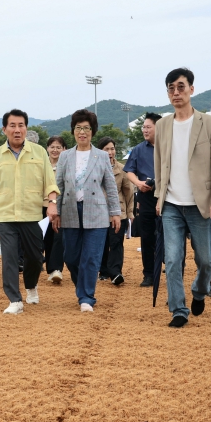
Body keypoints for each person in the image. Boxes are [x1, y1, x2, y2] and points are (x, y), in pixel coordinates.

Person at [154, 68, 211, 327]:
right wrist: (160, 196)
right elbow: (159, 163)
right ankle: (178, 310)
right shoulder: (162, 125)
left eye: (181, 87)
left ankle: (199, 290)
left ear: (191, 89)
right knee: (173, 259)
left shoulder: (210, 124)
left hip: (200, 203)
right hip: (171, 204)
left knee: (205, 260)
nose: (176, 92)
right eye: (171, 88)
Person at [0, 109, 59, 315]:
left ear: (26, 128)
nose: (17, 130)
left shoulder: (39, 152)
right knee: (9, 258)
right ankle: (14, 300)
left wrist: (52, 203)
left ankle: (31, 285)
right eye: (12, 126)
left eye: (21, 125)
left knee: (34, 257)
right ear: (4, 129)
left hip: (32, 214)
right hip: (5, 214)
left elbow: (50, 182)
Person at [54, 110, 121, 312]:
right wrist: (56, 211)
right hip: (70, 211)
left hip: (96, 212)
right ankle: (82, 288)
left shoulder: (102, 156)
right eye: (78, 128)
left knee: (91, 257)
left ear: (92, 131)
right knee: (71, 257)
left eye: (86, 128)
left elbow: (110, 186)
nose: (82, 132)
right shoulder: (65, 156)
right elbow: (58, 186)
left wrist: (115, 212)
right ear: (73, 131)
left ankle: (86, 297)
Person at [124, 112, 162, 287]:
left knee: (169, 234)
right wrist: (139, 183)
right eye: (143, 127)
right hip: (146, 196)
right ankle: (148, 274)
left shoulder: (169, 147)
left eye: (148, 127)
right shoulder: (138, 149)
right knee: (146, 236)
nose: (145, 130)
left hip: (167, 196)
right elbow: (129, 171)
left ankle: (173, 269)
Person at [97, 136, 134, 286]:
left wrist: (130, 213)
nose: (110, 152)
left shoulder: (122, 169)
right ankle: (103, 271)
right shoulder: (94, 168)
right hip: (99, 212)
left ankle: (115, 272)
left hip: (119, 212)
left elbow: (129, 193)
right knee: (102, 243)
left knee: (116, 242)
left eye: (112, 149)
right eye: (106, 149)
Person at [44, 136, 67, 283]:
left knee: (59, 238)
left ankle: (56, 269)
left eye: (58, 147)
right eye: (52, 147)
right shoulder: (42, 164)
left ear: (64, 149)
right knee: (46, 239)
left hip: (61, 206)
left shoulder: (66, 165)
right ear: (47, 148)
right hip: (43, 205)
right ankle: (49, 268)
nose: (55, 150)